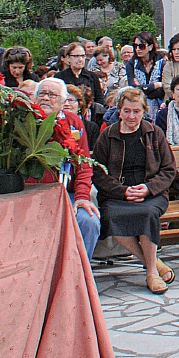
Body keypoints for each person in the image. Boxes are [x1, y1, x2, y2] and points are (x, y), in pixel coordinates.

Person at [91, 87, 177, 294]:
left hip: (151, 193)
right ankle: (154, 262)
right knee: (111, 217)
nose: (131, 116)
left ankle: (150, 273)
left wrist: (148, 189)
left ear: (144, 111)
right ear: (119, 111)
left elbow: (168, 169)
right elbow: (98, 173)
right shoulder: (107, 136)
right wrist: (122, 191)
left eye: (136, 111)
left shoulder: (154, 133)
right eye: (127, 111)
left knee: (147, 214)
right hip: (116, 194)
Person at [33, 77, 100, 262]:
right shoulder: (26, 121)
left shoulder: (73, 122)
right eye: (42, 93)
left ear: (63, 102)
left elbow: (83, 163)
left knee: (89, 221)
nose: (46, 98)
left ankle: (79, 276)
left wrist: (82, 197)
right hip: (33, 196)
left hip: (66, 194)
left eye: (52, 95)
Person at [57, 41, 105, 107]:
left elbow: (99, 100)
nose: (80, 59)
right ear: (68, 58)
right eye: (76, 56)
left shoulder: (93, 77)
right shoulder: (59, 77)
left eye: (82, 56)